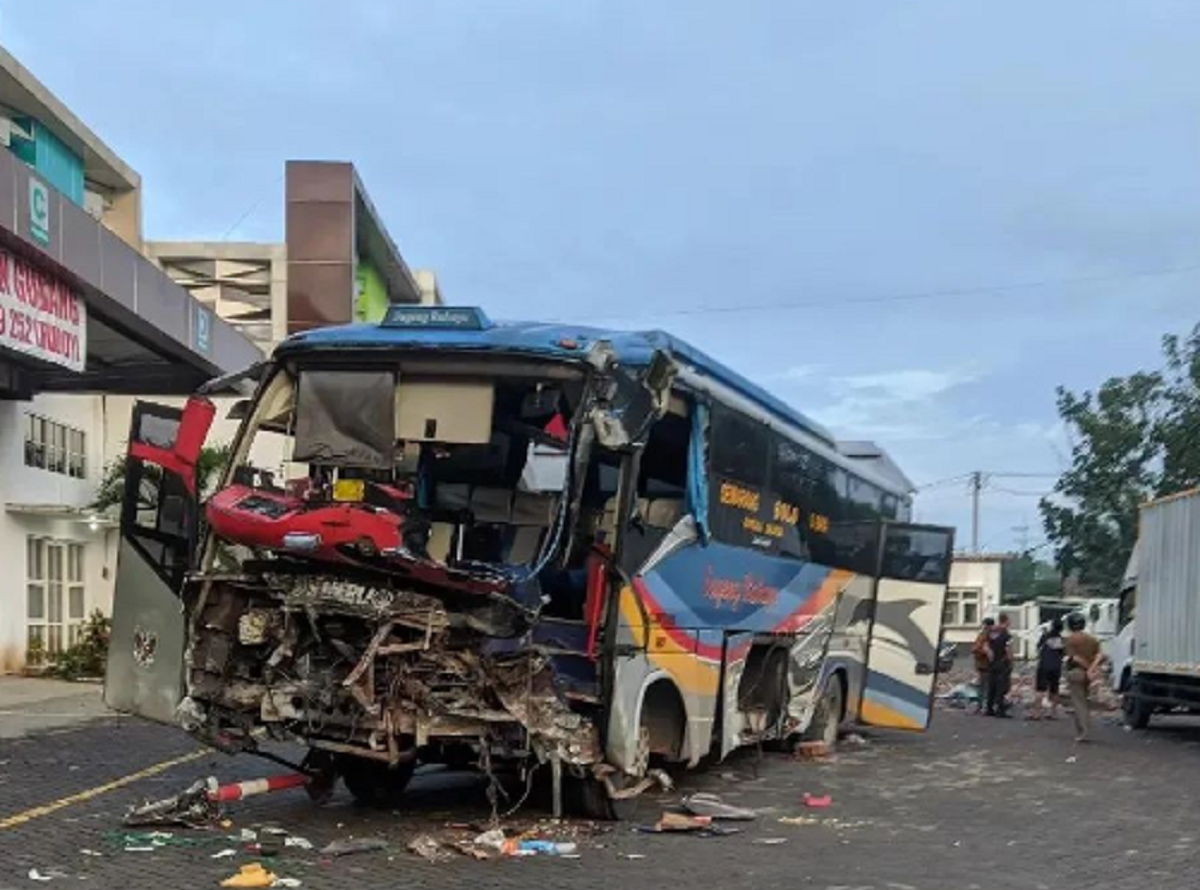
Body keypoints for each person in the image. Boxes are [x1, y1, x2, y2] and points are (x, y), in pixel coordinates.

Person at [1064, 613, 1102, 742]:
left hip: (1076, 673)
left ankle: (1083, 732)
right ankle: (1083, 730)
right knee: (1084, 701)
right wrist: (1092, 669)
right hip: (1087, 675)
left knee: (1078, 703)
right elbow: (1100, 655)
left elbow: (1075, 658)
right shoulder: (1092, 639)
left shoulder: (1070, 639)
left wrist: (1087, 668)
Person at [1030, 618, 1065, 721]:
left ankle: (1037, 713)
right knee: (1054, 689)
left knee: (1040, 689)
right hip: (1056, 667)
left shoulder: (1045, 636)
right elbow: (1063, 653)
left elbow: (1038, 648)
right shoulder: (1061, 639)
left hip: (1044, 665)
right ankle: (1052, 713)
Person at [983, 613, 1013, 717]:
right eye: (1009, 621)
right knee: (1002, 686)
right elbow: (1008, 649)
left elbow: (985, 645)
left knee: (992, 685)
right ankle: (1000, 710)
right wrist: (1010, 661)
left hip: (992, 663)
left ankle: (989, 708)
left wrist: (990, 654)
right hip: (1002, 662)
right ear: (1006, 621)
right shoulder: (1006, 633)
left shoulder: (991, 632)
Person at [971, 618, 995, 713]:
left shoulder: (986, 636)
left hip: (985, 664)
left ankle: (982, 706)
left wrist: (979, 651)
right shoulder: (985, 635)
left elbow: (977, 648)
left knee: (984, 686)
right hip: (983, 664)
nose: (983, 626)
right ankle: (982, 706)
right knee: (984, 686)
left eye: (984, 624)